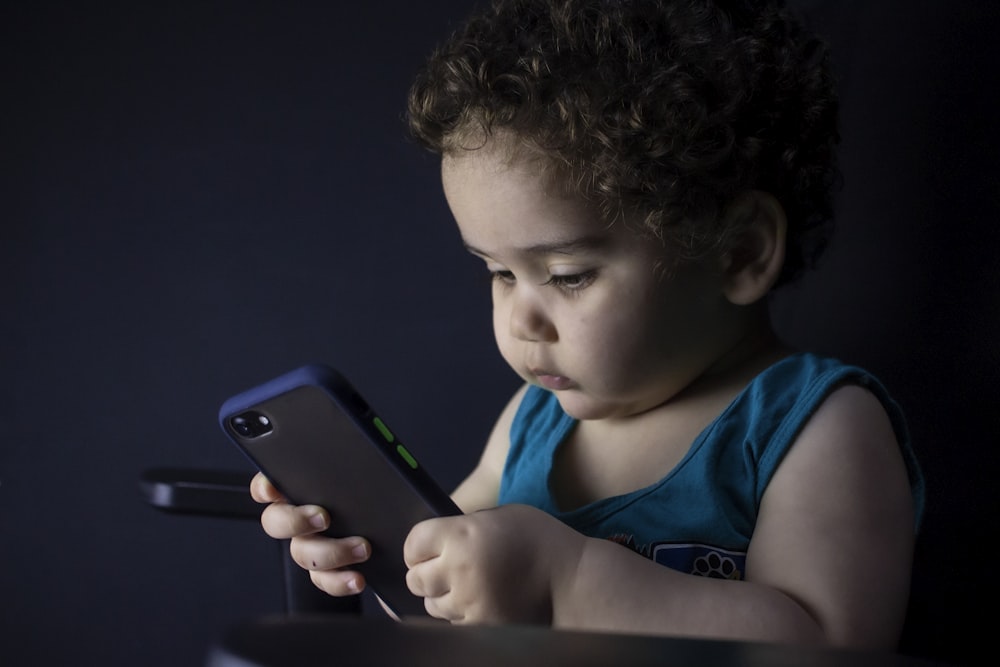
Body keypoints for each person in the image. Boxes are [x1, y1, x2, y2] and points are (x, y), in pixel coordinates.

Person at [251, 0, 924, 650]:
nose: (522, 318)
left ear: (739, 251)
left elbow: (830, 647)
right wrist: (371, 547)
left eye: (568, 274)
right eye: (499, 273)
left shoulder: (814, 427)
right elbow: (447, 606)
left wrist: (568, 581)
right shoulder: (530, 422)